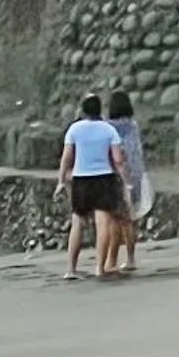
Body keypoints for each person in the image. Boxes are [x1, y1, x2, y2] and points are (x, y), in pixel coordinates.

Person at [56, 93, 129, 280]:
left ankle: (70, 269)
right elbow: (118, 160)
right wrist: (126, 182)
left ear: (82, 110)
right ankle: (99, 267)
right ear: (99, 109)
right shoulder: (108, 130)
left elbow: (66, 157)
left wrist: (61, 180)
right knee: (103, 223)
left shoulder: (74, 129)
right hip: (104, 178)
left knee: (78, 223)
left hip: (81, 178)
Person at [107, 88, 153, 275]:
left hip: (116, 176)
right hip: (136, 175)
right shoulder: (133, 126)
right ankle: (131, 258)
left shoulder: (108, 127)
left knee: (114, 220)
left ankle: (111, 259)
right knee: (128, 220)